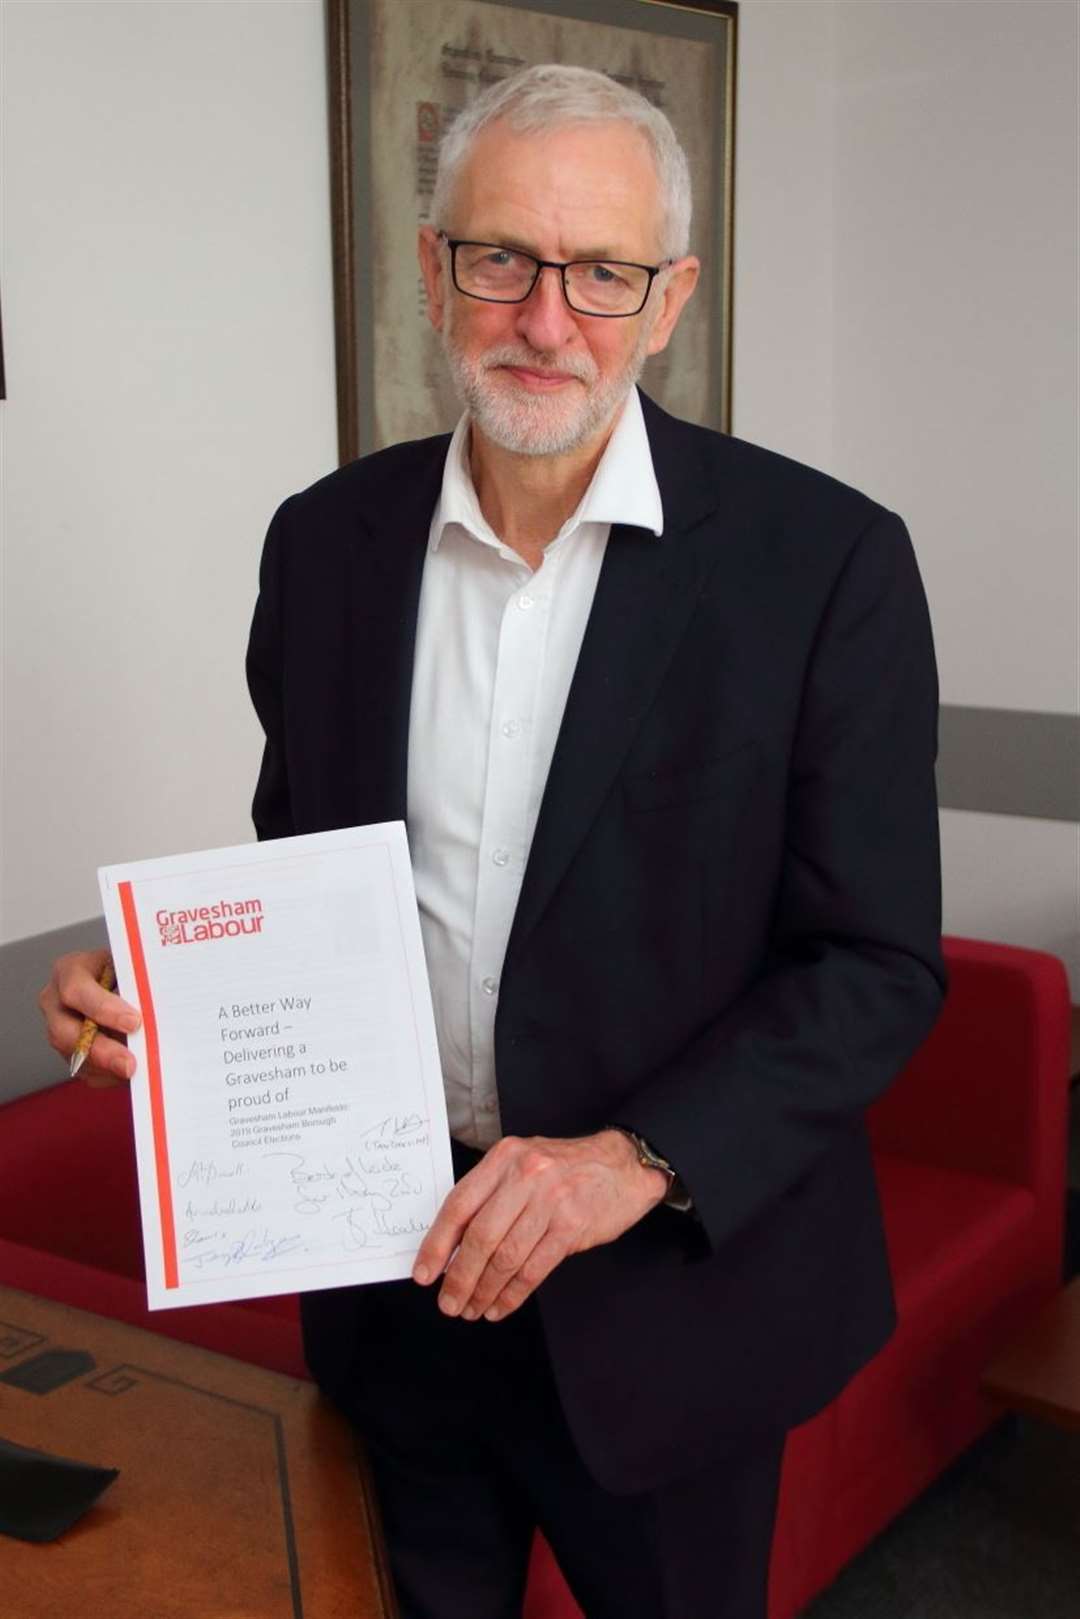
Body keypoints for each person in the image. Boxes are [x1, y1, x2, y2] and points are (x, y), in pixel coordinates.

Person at [40, 64, 945, 1619]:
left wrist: (635, 1164)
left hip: (671, 1312)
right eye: (502, 259)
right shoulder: (324, 542)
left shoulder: (827, 564)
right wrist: (169, 1003)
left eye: (603, 272)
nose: (547, 318)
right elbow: (302, 881)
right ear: (432, 270)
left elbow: (873, 965)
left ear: (670, 301)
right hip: (395, 1292)